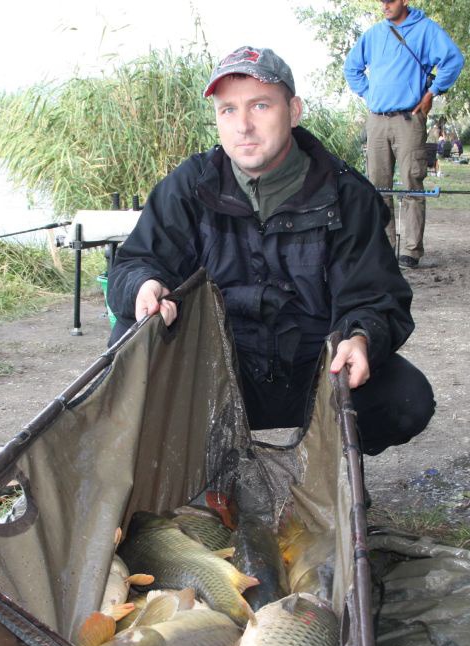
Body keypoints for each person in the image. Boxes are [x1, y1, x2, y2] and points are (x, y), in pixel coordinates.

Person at [107, 46, 434, 458]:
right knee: (127, 343)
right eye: (228, 110)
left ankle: (324, 465)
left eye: (260, 106)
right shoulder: (188, 187)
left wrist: (361, 337)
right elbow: (135, 263)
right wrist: (144, 285)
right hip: (217, 373)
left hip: (315, 372)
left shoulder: (348, 195)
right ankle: (198, 468)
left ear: (293, 111)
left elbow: (374, 296)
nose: (243, 125)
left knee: (406, 398)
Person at [345, 0, 463, 269]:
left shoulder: (425, 30)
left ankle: (411, 250)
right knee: (377, 186)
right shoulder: (374, 34)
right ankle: (383, 248)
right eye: (381, 1)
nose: (384, 5)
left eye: (390, 0)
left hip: (409, 119)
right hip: (376, 120)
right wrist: (369, 92)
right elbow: (351, 68)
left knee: (412, 181)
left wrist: (432, 93)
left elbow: (453, 60)